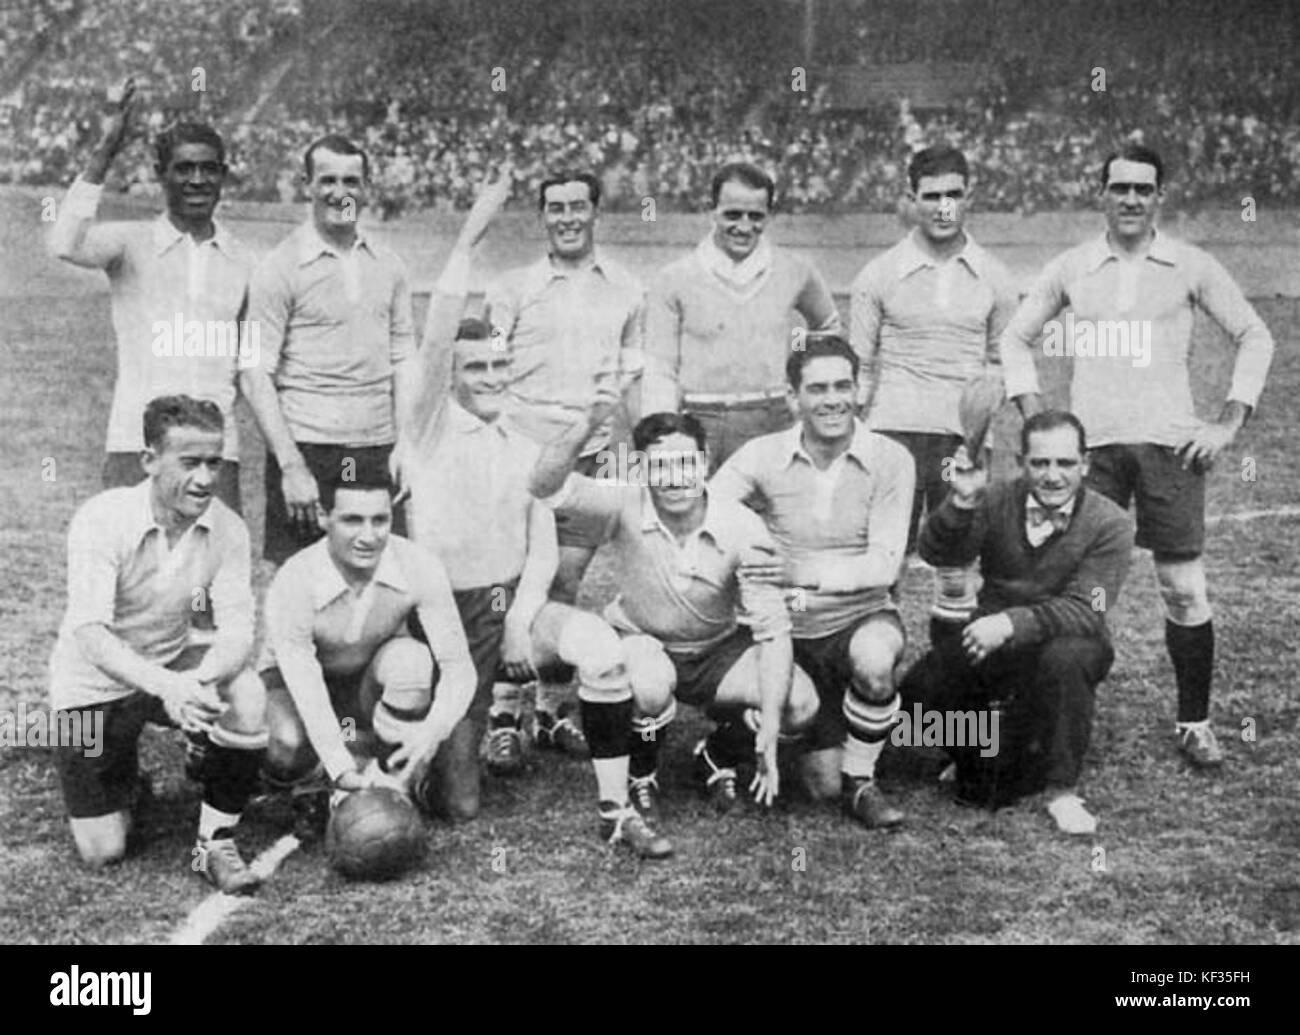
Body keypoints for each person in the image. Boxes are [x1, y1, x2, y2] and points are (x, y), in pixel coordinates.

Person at [999, 144, 1275, 769]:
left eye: (1142, 189)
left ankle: (1194, 723)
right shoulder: (1074, 266)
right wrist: (1039, 422)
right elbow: (1015, 338)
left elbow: (1255, 335)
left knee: (1182, 588)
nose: (1130, 199)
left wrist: (1228, 422)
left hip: (1170, 447)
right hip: (1090, 451)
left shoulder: (1189, 264)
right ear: (1101, 194)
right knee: (1068, 588)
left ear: (1159, 197)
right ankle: (1048, 718)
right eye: (1119, 187)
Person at [528, 403, 819, 853]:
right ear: (641, 469)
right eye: (660, 466)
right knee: (646, 686)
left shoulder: (741, 524)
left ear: (705, 464)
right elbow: (544, 485)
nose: (675, 477)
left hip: (717, 650)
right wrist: (587, 423)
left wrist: (769, 731)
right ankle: (642, 767)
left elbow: (773, 630)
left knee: (799, 704)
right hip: (643, 641)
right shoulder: (623, 501)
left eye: (686, 462)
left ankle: (720, 752)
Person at [48, 395, 267, 892]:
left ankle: (215, 840)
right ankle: (129, 783)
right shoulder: (101, 518)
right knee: (104, 851)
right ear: (149, 461)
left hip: (174, 666)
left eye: (214, 463)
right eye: (189, 463)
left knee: (247, 693)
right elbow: (89, 633)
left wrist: (200, 681)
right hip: (91, 687)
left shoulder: (228, 529)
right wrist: (169, 686)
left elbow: (237, 632)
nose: (206, 478)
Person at [709, 335, 915, 828]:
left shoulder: (892, 458)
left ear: (860, 391)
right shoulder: (761, 454)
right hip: (788, 626)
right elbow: (708, 512)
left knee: (874, 661)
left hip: (860, 616)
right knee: (818, 788)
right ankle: (719, 750)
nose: (833, 400)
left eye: (843, 386)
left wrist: (799, 571)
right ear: (792, 398)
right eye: (817, 388)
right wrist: (752, 540)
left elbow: (884, 566)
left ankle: (862, 780)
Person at [900, 411, 1134, 834]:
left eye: (1065, 463)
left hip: (1068, 639)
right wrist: (960, 503)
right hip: (992, 637)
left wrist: (1010, 623)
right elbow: (936, 553)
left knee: (1066, 660)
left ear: (1085, 464)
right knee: (917, 699)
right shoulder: (995, 499)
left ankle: (1062, 790)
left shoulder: (1111, 522)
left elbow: (1087, 607)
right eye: (1040, 463)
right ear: (1021, 461)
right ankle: (990, 744)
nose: (1052, 475)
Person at [482, 169, 646, 756]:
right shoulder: (511, 287)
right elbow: (486, 371)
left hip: (593, 455)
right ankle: (503, 713)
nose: (569, 217)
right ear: (542, 216)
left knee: (567, 579)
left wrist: (643, 444)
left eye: (579, 206)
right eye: (556, 208)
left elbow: (633, 376)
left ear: (597, 211)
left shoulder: (628, 288)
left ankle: (553, 707)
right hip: (525, 455)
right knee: (516, 577)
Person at [50, 78, 252, 511]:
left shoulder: (243, 260)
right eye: (184, 168)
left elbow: (251, 366)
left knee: (207, 573)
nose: (197, 180)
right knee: (135, 569)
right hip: (137, 444)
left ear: (223, 176)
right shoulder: (131, 242)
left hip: (216, 452)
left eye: (208, 169)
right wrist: (105, 152)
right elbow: (65, 243)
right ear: (162, 176)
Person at [850, 145, 1019, 645]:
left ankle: (949, 691)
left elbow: (1000, 360)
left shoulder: (996, 276)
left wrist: (981, 423)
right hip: (891, 434)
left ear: (971, 197)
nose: (943, 207)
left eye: (953, 195)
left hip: (958, 442)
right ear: (910, 199)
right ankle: (875, 682)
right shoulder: (878, 274)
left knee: (956, 567)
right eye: (931, 196)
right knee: (885, 563)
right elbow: (859, 364)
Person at [259, 470, 476, 833]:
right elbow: (305, 682)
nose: (369, 535)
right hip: (295, 687)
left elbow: (458, 667)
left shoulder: (417, 564)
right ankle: (313, 781)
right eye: (352, 520)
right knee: (286, 744)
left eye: (380, 520)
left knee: (412, 661)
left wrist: (433, 731)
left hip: (364, 682)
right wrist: (339, 768)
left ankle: (394, 777)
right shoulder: (295, 579)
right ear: (324, 518)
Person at [242, 134, 418, 565]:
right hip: (309, 448)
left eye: (351, 181)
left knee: (383, 585)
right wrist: (291, 465)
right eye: (328, 180)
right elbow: (252, 371)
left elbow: (404, 360)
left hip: (377, 448)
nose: (340, 193)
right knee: (303, 588)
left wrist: (407, 444)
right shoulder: (277, 267)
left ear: (366, 187)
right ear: (307, 185)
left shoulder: (389, 264)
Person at [642, 160, 840, 467]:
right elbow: (660, 368)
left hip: (772, 418)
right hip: (698, 419)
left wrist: (801, 375)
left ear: (768, 216)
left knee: (775, 514)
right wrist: (662, 435)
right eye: (732, 214)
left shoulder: (795, 270)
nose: (744, 226)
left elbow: (826, 326)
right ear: (712, 211)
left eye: (756, 216)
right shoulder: (674, 278)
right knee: (696, 512)